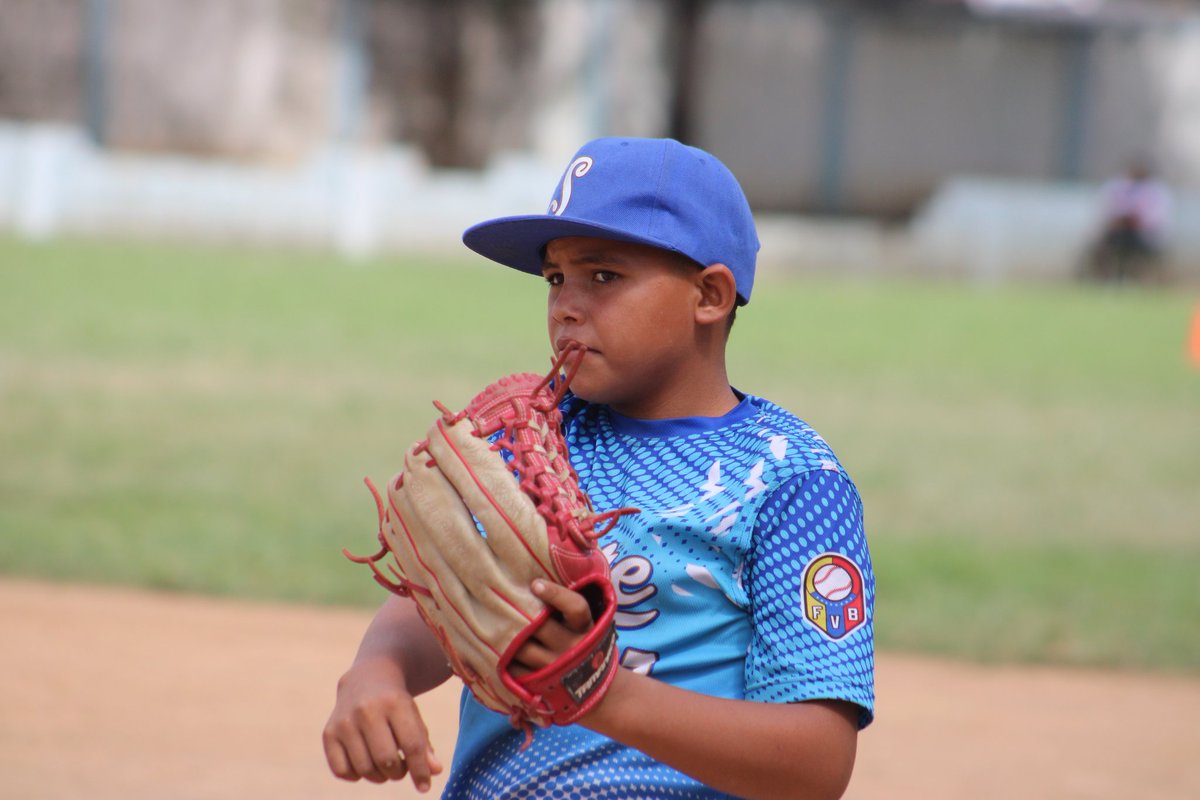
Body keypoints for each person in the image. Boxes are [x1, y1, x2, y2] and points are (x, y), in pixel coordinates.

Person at [322, 137, 875, 799]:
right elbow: (441, 598)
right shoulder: (532, 440)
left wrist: (601, 693)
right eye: (556, 278)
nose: (566, 305)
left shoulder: (789, 480)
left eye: (603, 275)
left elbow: (816, 764)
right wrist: (377, 670)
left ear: (709, 294)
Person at [1083, 158, 1173, 283]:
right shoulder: (1116, 187)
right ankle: (1107, 278)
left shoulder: (1156, 191)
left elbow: (1156, 219)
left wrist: (1135, 221)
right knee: (1109, 243)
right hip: (1116, 232)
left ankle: (1132, 277)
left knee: (1129, 243)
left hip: (1142, 236)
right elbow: (1105, 212)